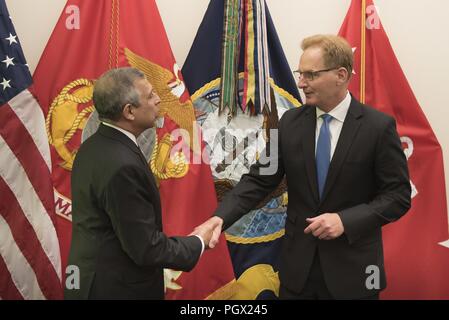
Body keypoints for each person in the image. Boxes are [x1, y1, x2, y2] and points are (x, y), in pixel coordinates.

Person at [199, 35, 411, 299]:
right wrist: (219, 218)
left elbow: (398, 197)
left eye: (311, 75)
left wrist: (345, 220)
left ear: (341, 75)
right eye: (301, 74)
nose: (301, 83)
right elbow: (259, 180)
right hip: (297, 273)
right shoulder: (289, 123)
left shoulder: (378, 127)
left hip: (355, 273)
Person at [65, 67, 210, 300]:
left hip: (92, 281)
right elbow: (146, 248)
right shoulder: (122, 166)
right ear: (129, 111)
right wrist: (198, 242)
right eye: (151, 95)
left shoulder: (94, 145)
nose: (159, 99)